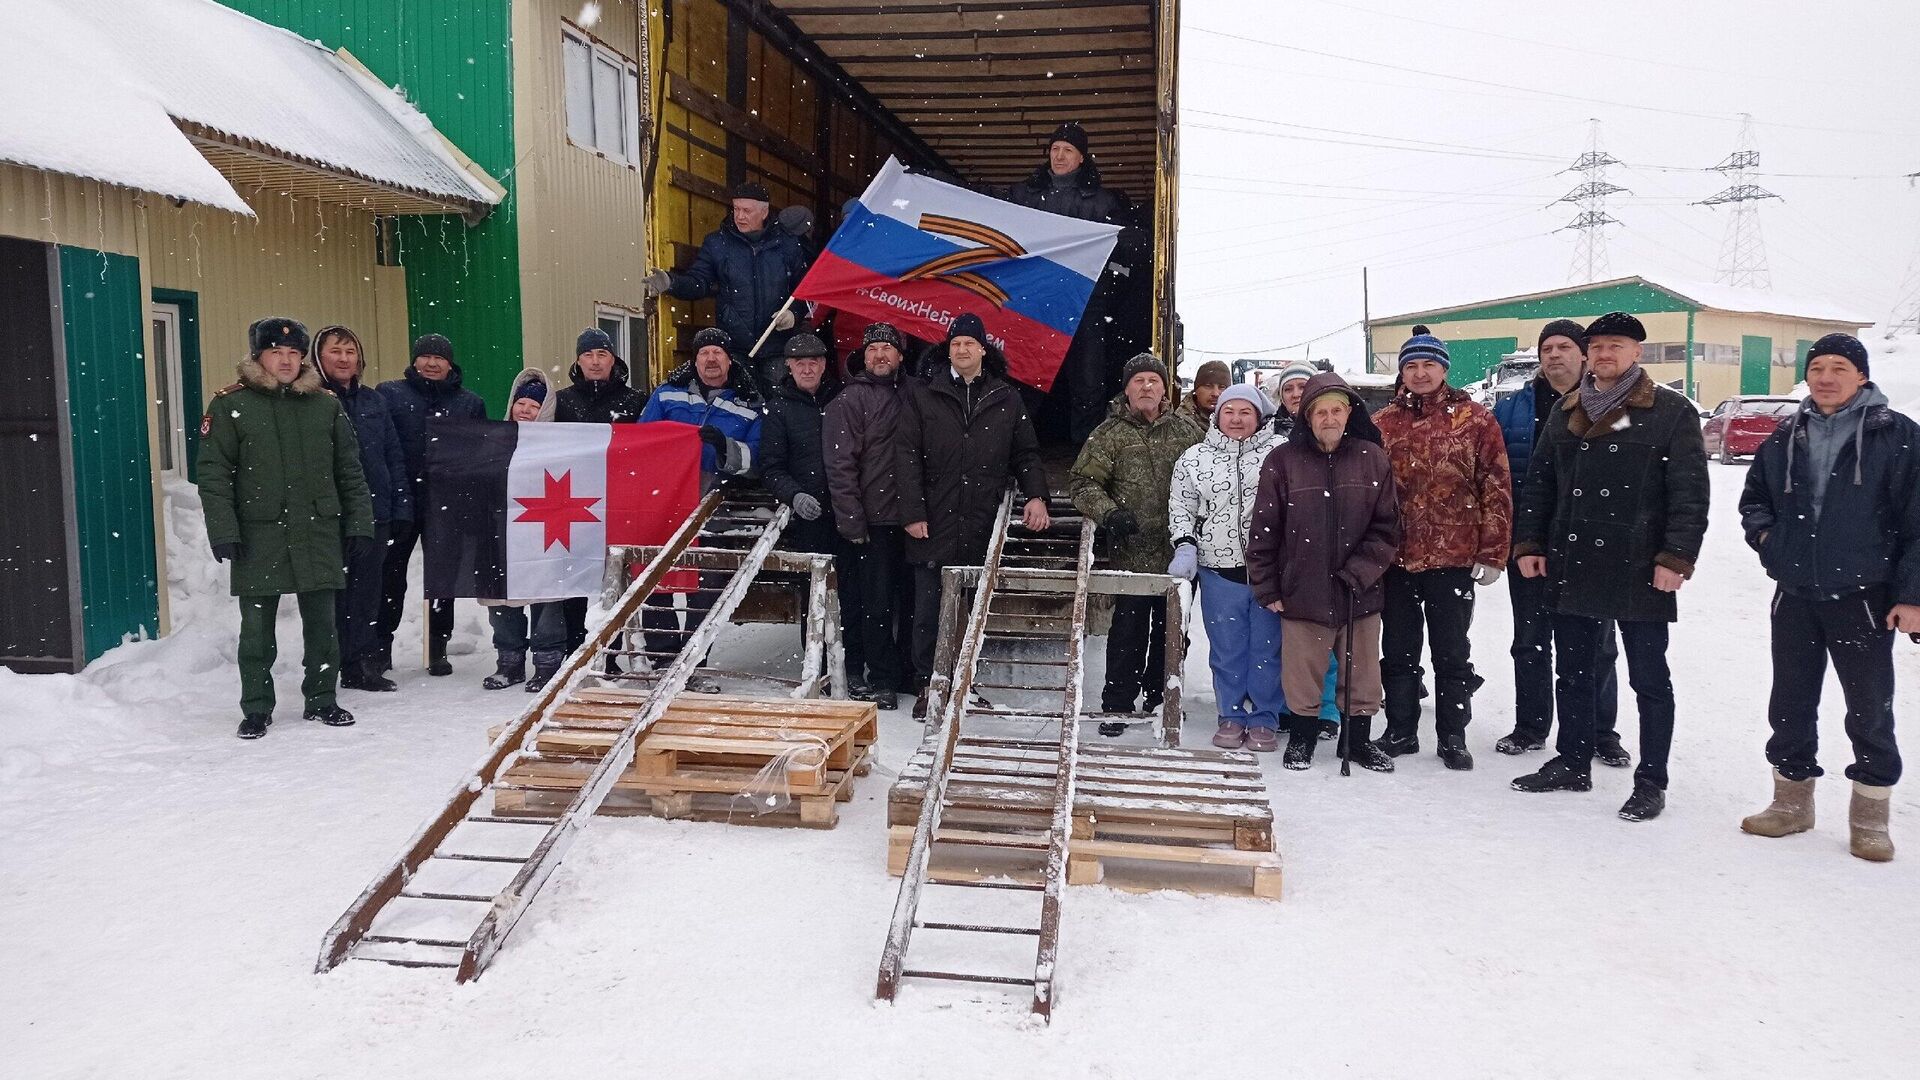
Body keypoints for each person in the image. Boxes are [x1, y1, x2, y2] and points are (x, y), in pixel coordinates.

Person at [1511, 312, 1709, 822]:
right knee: (1573, 671)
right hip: (1574, 559)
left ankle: (1652, 780)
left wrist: (1675, 558)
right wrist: (1530, 541)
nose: (1603, 355)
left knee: (1649, 679)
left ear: (1636, 353)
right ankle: (1573, 761)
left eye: (1615, 346)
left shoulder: (1669, 411)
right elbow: (1540, 484)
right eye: (1596, 346)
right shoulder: (1569, 410)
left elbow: (1689, 495)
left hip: (1640, 564)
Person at [1738, 333, 1918, 861]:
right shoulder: (1786, 434)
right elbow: (1755, 502)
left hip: (1863, 595)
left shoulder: (1897, 436)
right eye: (1818, 366)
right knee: (1790, 702)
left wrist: (1911, 594)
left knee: (1869, 708)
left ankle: (1870, 816)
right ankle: (1792, 803)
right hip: (1794, 592)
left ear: (1861, 376)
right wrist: (1771, 544)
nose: (1826, 376)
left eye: (1839, 366)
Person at [197, 317, 375, 739]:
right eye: (276, 352)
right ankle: (256, 707)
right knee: (257, 630)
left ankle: (322, 699)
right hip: (260, 533)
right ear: (259, 355)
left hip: (317, 528)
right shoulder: (230, 405)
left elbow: (349, 469)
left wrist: (359, 523)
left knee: (322, 625)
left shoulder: (324, 404)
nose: (286, 361)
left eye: (294, 353)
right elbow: (213, 473)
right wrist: (224, 529)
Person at [897, 313, 1051, 718]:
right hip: (932, 517)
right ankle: (929, 687)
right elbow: (906, 455)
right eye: (955, 344)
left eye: (969, 343)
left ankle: (964, 683)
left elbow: (1026, 453)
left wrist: (1036, 495)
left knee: (972, 606)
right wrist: (912, 511)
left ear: (984, 349)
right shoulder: (924, 393)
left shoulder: (1006, 397)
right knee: (928, 609)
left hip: (981, 519)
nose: (961, 349)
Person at [1371, 332, 1513, 771]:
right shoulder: (1382, 423)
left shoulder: (1475, 420)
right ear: (1402, 371)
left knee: (1451, 652)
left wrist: (1492, 552)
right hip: (1396, 559)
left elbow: (1497, 485)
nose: (1420, 373)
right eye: (1411, 366)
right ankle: (1400, 730)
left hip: (1453, 557)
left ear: (1444, 369)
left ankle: (1453, 735)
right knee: (1398, 651)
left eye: (1429, 365)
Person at [1247, 372, 1400, 772]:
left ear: (1349, 413)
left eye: (1336, 410)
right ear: (1308, 417)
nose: (1329, 418)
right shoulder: (1282, 461)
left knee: (1362, 674)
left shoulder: (1373, 458)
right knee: (1303, 675)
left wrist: (1360, 571)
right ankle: (1302, 740)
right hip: (1302, 589)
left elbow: (1387, 528)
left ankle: (1357, 742)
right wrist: (1267, 586)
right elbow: (1264, 530)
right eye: (1320, 411)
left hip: (1359, 591)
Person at [1492, 321, 1627, 764]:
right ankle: (1531, 726)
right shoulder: (1511, 408)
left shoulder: (1611, 405)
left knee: (1598, 642)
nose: (1554, 356)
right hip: (1528, 541)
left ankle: (1601, 731)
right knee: (1529, 639)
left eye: (1564, 347)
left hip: (1589, 544)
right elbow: (1497, 478)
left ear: (1583, 354)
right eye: (1547, 348)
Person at [1071, 353, 1203, 735]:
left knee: (1172, 631)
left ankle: (1162, 698)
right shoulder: (1109, 434)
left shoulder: (1186, 432)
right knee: (1127, 631)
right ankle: (1117, 703)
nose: (1147, 387)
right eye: (1139, 380)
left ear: (1165, 388)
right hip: (1131, 554)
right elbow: (1083, 483)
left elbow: (1205, 484)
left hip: (1179, 555)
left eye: (1154, 381)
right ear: (1126, 389)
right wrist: (1109, 513)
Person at [637, 326, 765, 689]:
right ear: (694, 360)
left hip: (717, 501)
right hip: (665, 499)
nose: (711, 359)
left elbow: (756, 460)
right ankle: (663, 661)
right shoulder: (666, 395)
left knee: (706, 585)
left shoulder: (749, 403)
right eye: (704, 352)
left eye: (718, 353)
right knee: (656, 577)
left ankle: (692, 664)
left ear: (729, 359)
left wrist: (724, 447)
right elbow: (643, 442)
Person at [1167, 384, 1285, 751]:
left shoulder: (1280, 453)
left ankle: (1265, 717)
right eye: (1229, 411)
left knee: (1268, 649)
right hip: (1219, 571)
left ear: (1259, 416)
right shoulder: (1194, 458)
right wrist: (1185, 544)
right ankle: (1231, 715)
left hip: (1271, 572)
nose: (1236, 419)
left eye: (1245, 412)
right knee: (1227, 650)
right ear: (1217, 415)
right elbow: (1181, 507)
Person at [1002, 122, 1136, 444]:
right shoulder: (1023, 195)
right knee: (1025, 380)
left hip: (1084, 307)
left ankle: (1084, 467)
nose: (1059, 156)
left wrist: (1103, 293)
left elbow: (1127, 253)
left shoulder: (1104, 203)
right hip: (1036, 306)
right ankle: (1016, 458)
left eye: (1068, 150)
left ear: (1081, 158)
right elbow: (985, 208)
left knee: (1088, 387)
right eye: (1055, 149)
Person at [760, 332, 865, 699]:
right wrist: (794, 494)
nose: (807, 368)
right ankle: (816, 667)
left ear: (824, 365)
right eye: (800, 362)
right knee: (815, 595)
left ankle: (852, 669)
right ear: (788, 366)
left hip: (849, 513)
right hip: (810, 520)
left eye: (814, 361)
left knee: (854, 593)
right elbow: (770, 467)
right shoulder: (777, 409)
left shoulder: (844, 399)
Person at [376, 333, 487, 676]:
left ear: (450, 364)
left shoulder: (469, 403)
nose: (432, 363)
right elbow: (381, 447)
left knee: (443, 579)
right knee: (390, 575)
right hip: (402, 501)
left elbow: (479, 455)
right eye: (425, 356)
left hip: (447, 504)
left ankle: (436, 647)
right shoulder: (390, 395)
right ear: (414, 361)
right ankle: (380, 646)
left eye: (439, 358)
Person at [312, 324, 411, 694]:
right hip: (327, 515)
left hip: (375, 513)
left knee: (367, 594)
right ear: (319, 358)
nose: (343, 358)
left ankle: (360, 666)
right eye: (335, 351)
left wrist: (401, 505)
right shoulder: (310, 400)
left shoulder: (374, 402)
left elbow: (392, 456)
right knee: (332, 595)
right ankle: (326, 666)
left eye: (350, 352)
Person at [825, 323, 915, 711]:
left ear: (900, 356)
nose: (880, 355)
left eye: (888, 348)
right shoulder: (849, 401)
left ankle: (910, 671)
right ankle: (880, 678)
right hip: (872, 522)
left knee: (914, 602)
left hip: (914, 519)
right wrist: (851, 519)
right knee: (874, 604)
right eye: (873, 347)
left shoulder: (916, 396)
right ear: (863, 356)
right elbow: (839, 466)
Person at [644, 181, 810, 388]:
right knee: (737, 406)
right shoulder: (717, 243)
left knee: (777, 409)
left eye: (747, 211)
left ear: (764, 212)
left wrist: (793, 314)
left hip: (776, 347)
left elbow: (805, 289)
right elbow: (699, 282)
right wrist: (671, 282)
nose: (740, 216)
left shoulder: (787, 245)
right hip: (735, 347)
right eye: (736, 209)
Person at [477, 369, 577, 693]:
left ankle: (547, 663)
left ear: (545, 409)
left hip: (543, 531)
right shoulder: (493, 439)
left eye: (533, 406)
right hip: (499, 530)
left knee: (546, 599)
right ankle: (509, 662)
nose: (524, 410)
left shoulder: (558, 444)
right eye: (520, 403)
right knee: (502, 600)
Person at [553, 326, 648, 423]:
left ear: (612, 360)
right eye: (588, 355)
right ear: (578, 361)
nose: (595, 362)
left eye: (601, 355)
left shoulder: (637, 401)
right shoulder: (559, 402)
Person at [1268, 361, 1317, 438]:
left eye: (1303, 387)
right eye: (1288, 389)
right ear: (1282, 397)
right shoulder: (1267, 433)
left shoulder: (1331, 425)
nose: (1295, 394)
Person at [1180, 360, 1231, 429]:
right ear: (1196, 389)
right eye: (1208, 386)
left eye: (1222, 387)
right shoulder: (1177, 423)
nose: (1215, 394)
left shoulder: (1238, 423)